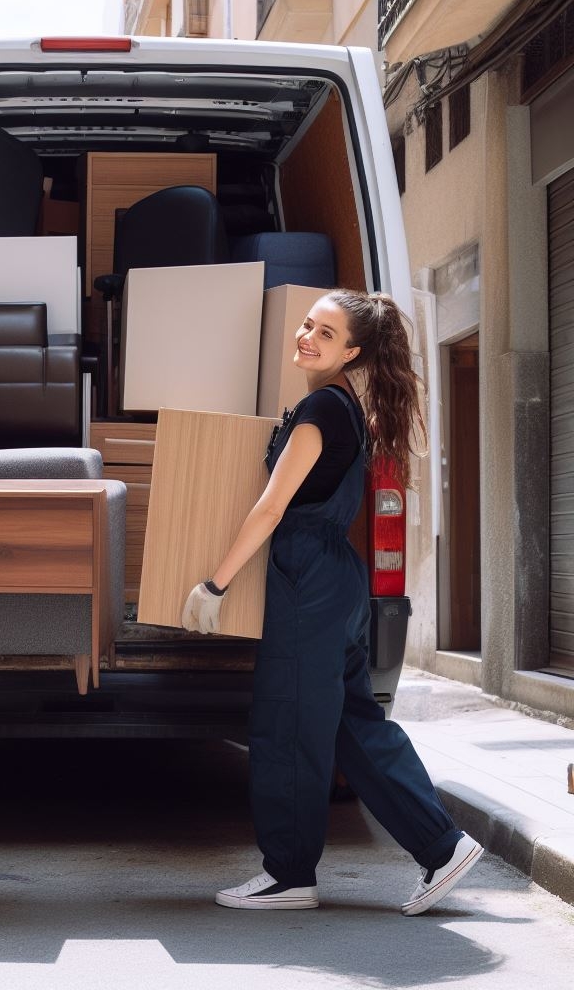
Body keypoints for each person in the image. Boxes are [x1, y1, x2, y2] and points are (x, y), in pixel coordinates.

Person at [181, 289, 482, 915]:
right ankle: (442, 846)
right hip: (334, 580)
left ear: (352, 351)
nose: (306, 337)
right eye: (307, 325)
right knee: (350, 723)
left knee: (288, 724)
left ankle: (290, 876)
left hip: (307, 583)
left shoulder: (322, 408)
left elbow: (270, 507)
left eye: (325, 332)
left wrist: (215, 584)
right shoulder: (343, 405)